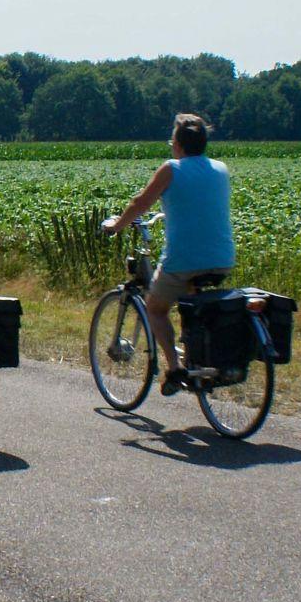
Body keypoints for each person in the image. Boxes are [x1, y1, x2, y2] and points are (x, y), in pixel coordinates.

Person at [101, 112, 234, 395]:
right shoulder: (221, 168)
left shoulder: (172, 169)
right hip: (222, 258)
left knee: (156, 308)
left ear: (178, 143)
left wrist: (117, 225)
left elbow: (141, 203)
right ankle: (196, 356)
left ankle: (174, 368)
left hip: (184, 260)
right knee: (192, 305)